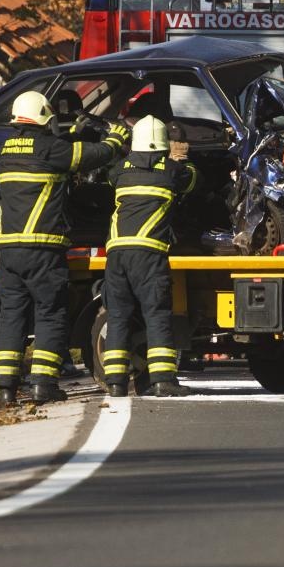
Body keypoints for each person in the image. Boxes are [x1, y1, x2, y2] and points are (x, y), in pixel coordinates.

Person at [0, 90, 129, 407]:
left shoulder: (7, 149)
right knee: (50, 314)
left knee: (11, 316)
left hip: (8, 252)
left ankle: (5, 389)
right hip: (42, 250)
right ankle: (43, 385)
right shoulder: (51, 148)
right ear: (43, 118)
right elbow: (92, 156)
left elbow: (54, 151)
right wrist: (115, 139)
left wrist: (73, 134)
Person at [101, 116, 198, 397]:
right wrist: (182, 160)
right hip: (148, 253)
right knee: (156, 313)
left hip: (116, 253)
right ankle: (163, 380)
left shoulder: (119, 170)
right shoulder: (171, 171)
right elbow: (193, 180)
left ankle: (115, 382)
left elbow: (110, 176)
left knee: (118, 315)